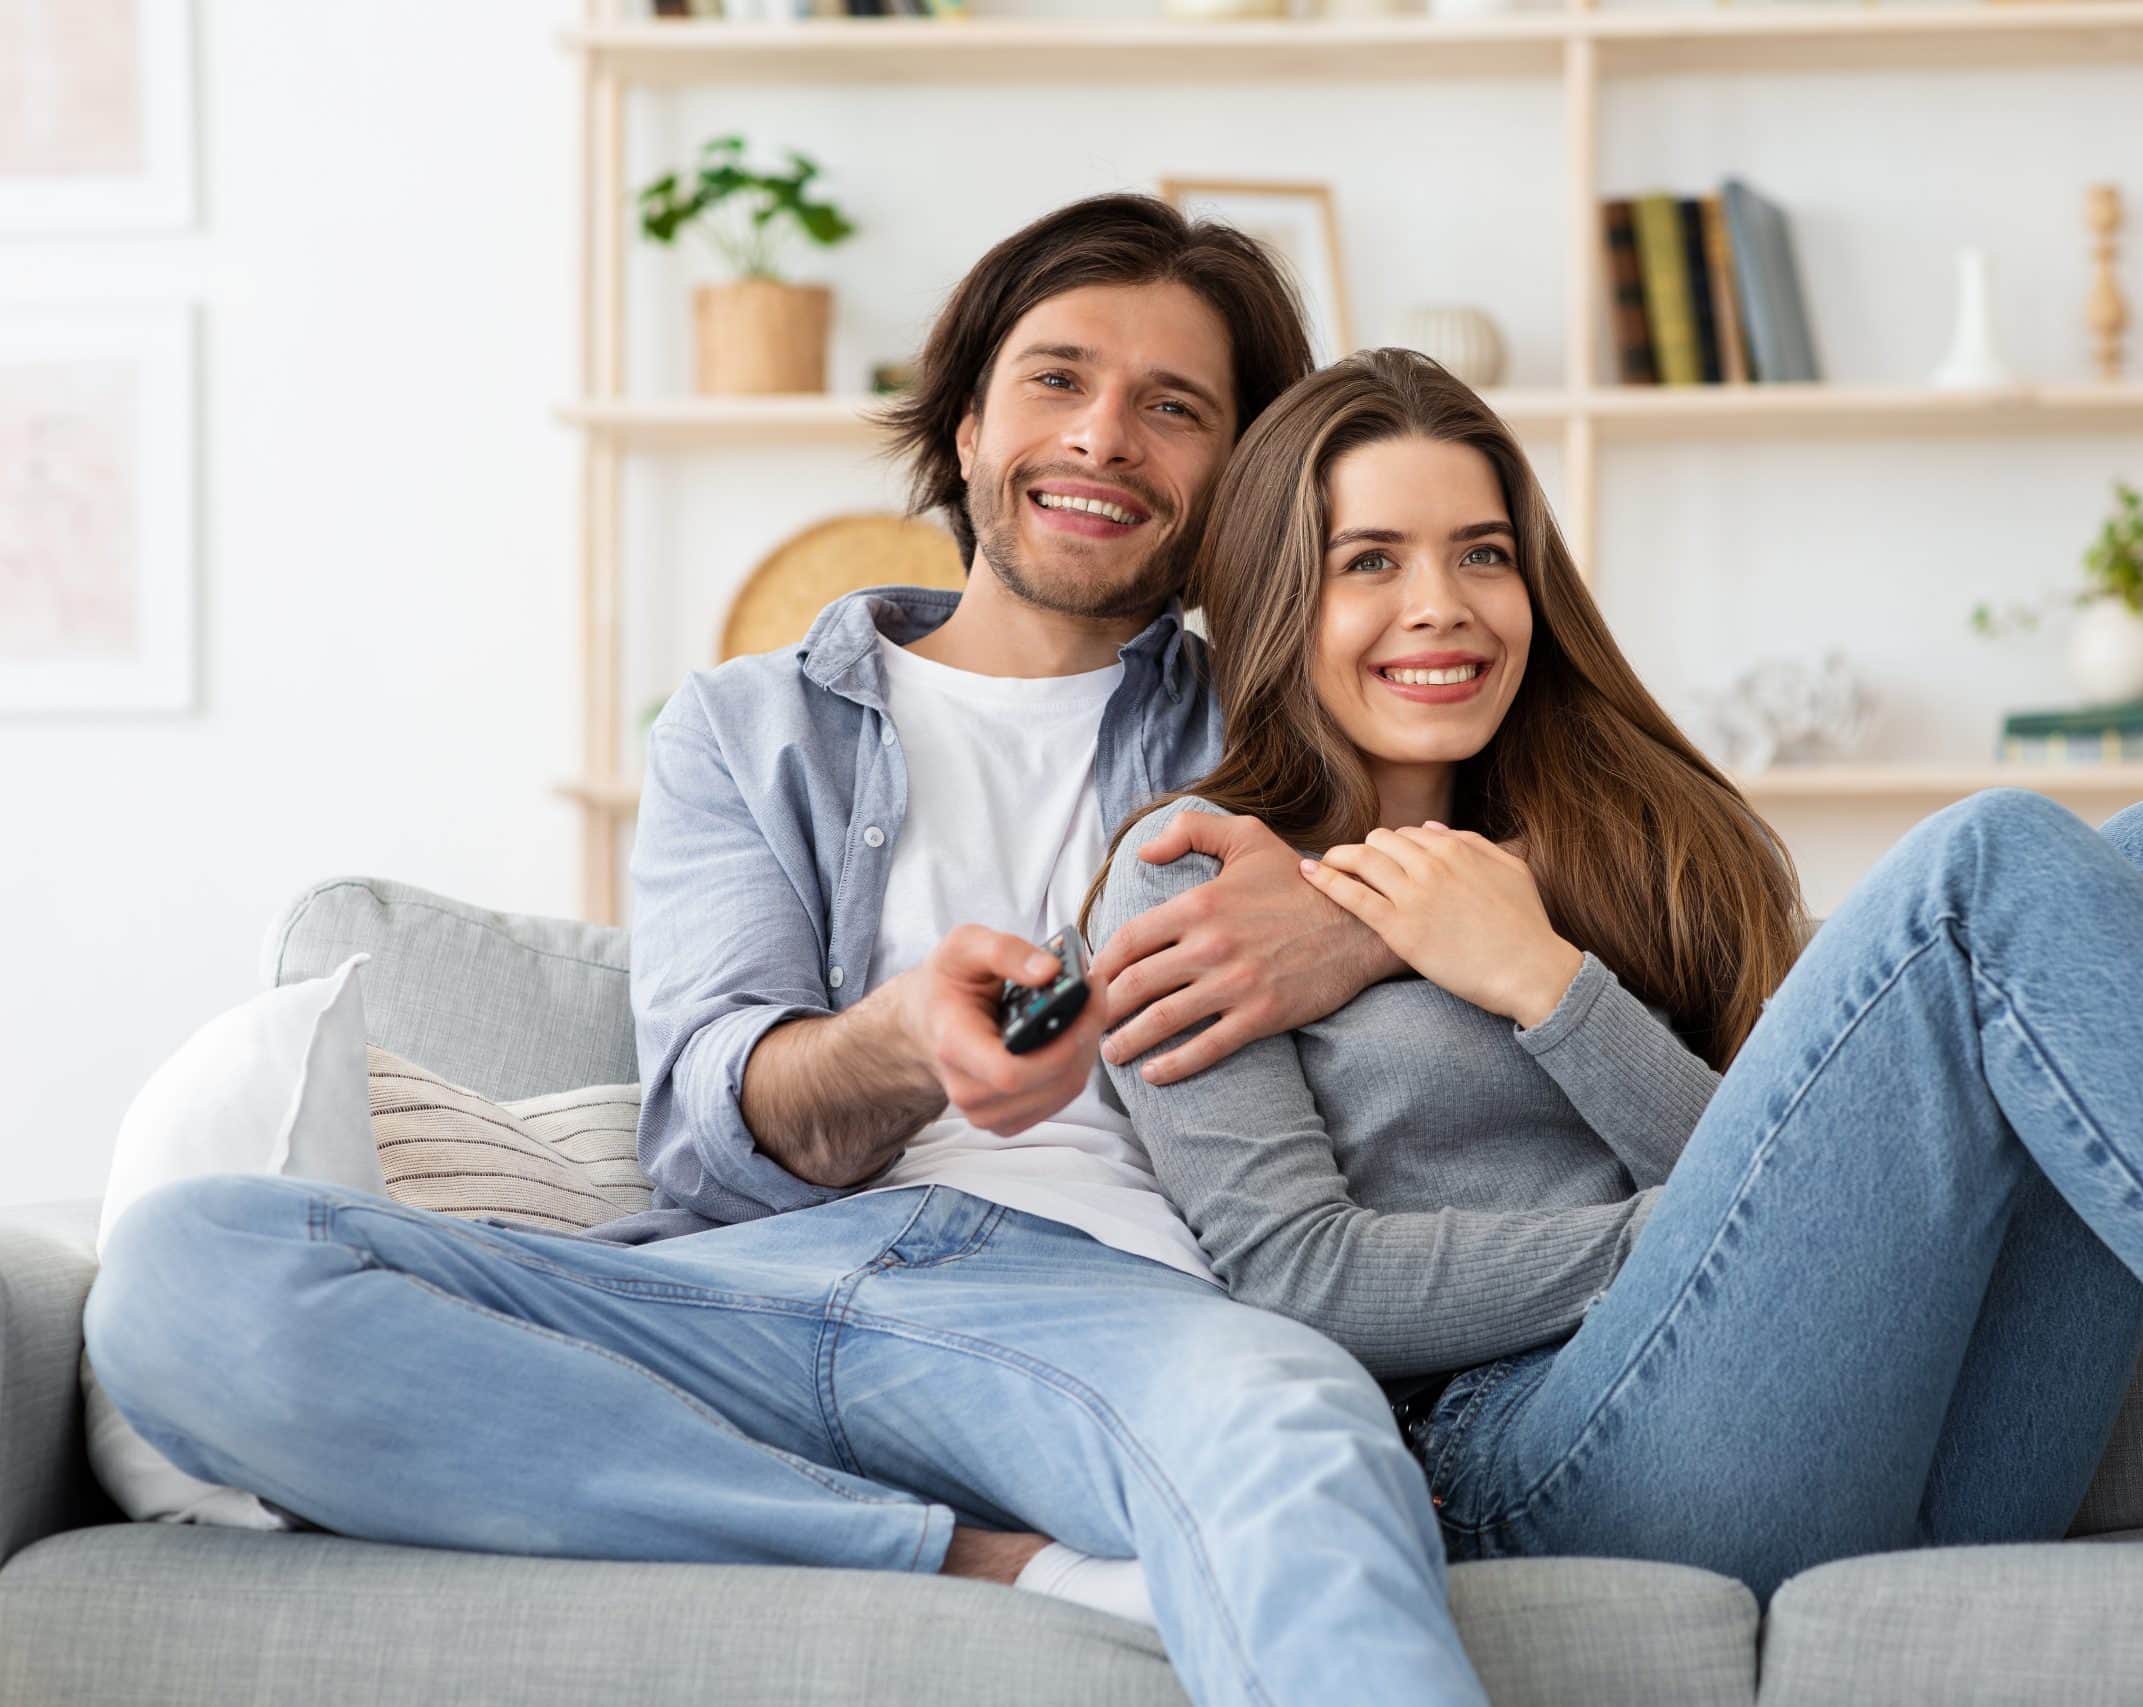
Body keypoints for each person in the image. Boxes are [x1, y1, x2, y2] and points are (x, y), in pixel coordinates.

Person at [82, 199, 1498, 1707]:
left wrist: (1349, 923)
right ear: (962, 428)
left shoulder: (1292, 721)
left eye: (1175, 408)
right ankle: (985, 1563)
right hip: (741, 1297)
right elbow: (702, 1137)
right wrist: (898, 1042)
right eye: (1058, 381)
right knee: (191, 1267)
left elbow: (1601, 869)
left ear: (1239, 481)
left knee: (1301, 1437)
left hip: (1114, 1317)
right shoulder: (749, 728)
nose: (1103, 437)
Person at [1086, 346, 2143, 1609]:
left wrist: (1550, 984)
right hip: (1543, 1476)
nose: (1446, 605)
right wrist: (1712, 1231)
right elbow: (1301, 1280)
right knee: (1988, 862)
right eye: (1371, 562)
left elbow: (1754, 1169)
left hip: (1917, 1456)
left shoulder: (1628, 851)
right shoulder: (1197, 870)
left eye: (1483, 551)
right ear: (1280, 593)